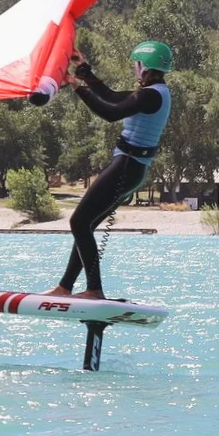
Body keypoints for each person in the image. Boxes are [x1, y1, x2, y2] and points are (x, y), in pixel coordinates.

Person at [51, 40, 174, 299]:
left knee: (79, 222)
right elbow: (112, 96)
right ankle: (65, 287)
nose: (134, 68)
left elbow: (110, 112)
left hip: (127, 166)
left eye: (136, 65)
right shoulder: (154, 92)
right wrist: (84, 71)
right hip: (131, 167)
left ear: (144, 66)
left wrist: (76, 86)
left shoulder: (150, 95)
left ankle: (94, 290)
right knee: (86, 225)